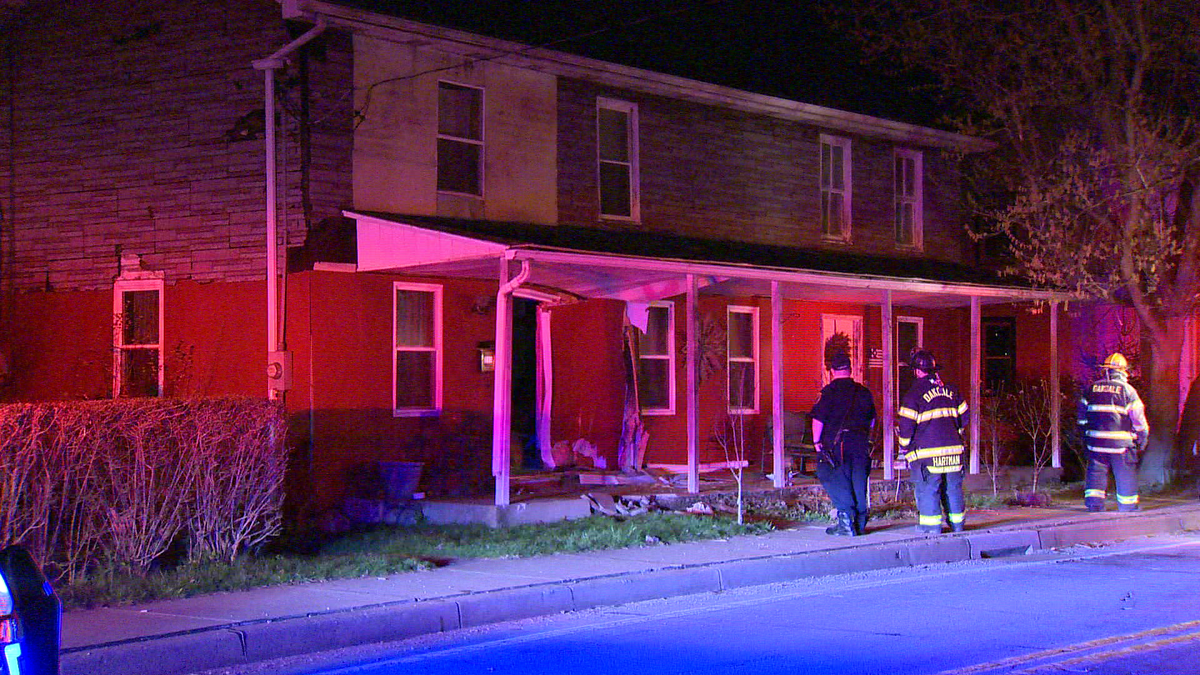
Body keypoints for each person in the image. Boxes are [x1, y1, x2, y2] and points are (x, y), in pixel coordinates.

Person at [897, 349, 969, 534]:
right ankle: (958, 525)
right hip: (954, 452)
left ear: (917, 371)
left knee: (929, 489)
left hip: (927, 455)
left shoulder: (913, 395)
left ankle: (931, 527)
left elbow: (906, 427)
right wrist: (955, 433)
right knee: (953, 489)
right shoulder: (951, 391)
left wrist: (904, 447)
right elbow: (964, 417)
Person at [810, 351, 877, 536]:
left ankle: (846, 521)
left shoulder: (829, 393)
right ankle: (860, 522)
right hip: (861, 442)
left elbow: (818, 420)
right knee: (858, 479)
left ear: (832, 371)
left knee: (832, 476)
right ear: (850, 369)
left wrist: (817, 442)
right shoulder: (863, 392)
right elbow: (872, 419)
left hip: (836, 445)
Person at [1077, 353, 1148, 512]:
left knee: (1096, 474)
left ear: (1106, 370)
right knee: (1125, 474)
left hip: (1096, 443)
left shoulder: (1091, 389)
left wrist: (1084, 436)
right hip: (1121, 445)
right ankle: (1128, 507)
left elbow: (1082, 418)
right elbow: (1137, 418)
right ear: (1123, 371)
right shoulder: (1128, 391)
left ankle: (1094, 505)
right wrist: (1142, 436)